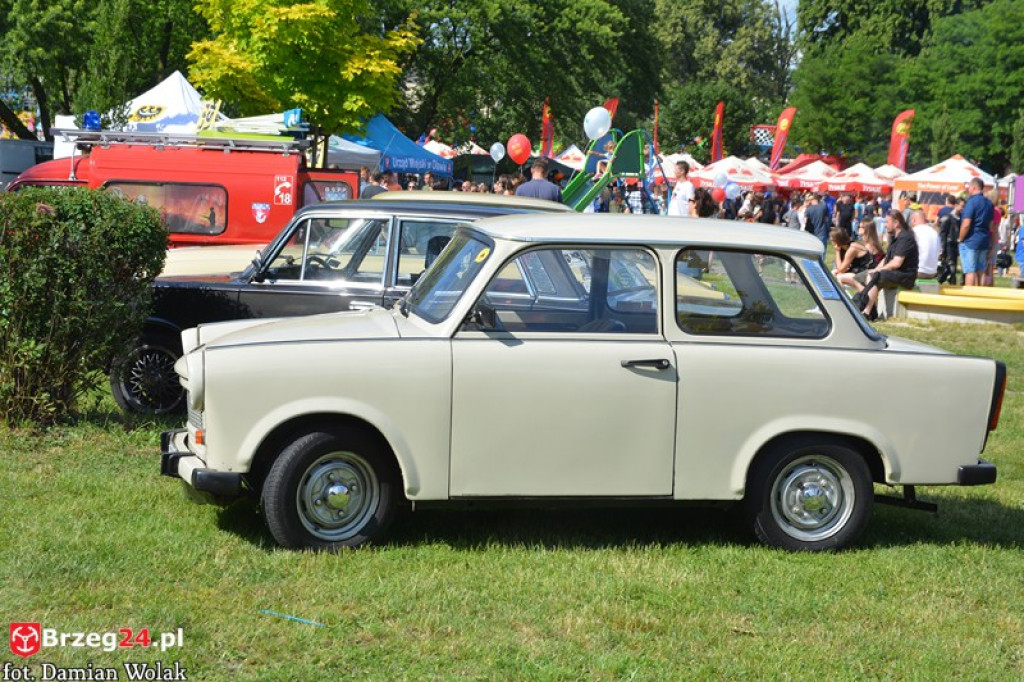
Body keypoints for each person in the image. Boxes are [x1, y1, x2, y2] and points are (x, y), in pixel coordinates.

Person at [851, 210, 919, 318]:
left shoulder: (905, 238)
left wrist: (877, 271)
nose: (885, 225)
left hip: (905, 275)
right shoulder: (895, 238)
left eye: (887, 222)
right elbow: (886, 258)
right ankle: (869, 306)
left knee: (874, 276)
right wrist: (876, 268)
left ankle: (867, 313)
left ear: (896, 223)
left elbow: (896, 263)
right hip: (894, 273)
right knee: (858, 277)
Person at [958, 177, 993, 286]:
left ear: (973, 187)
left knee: (970, 270)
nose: (968, 190)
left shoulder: (971, 202)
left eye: (969, 187)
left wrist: (960, 238)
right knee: (981, 269)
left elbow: (966, 224)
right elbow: (991, 224)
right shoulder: (989, 204)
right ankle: (980, 296)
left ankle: (969, 298)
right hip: (984, 239)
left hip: (971, 240)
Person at [909, 209, 940, 279]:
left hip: (918, 272)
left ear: (913, 220)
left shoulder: (914, 231)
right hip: (932, 273)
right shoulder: (935, 233)